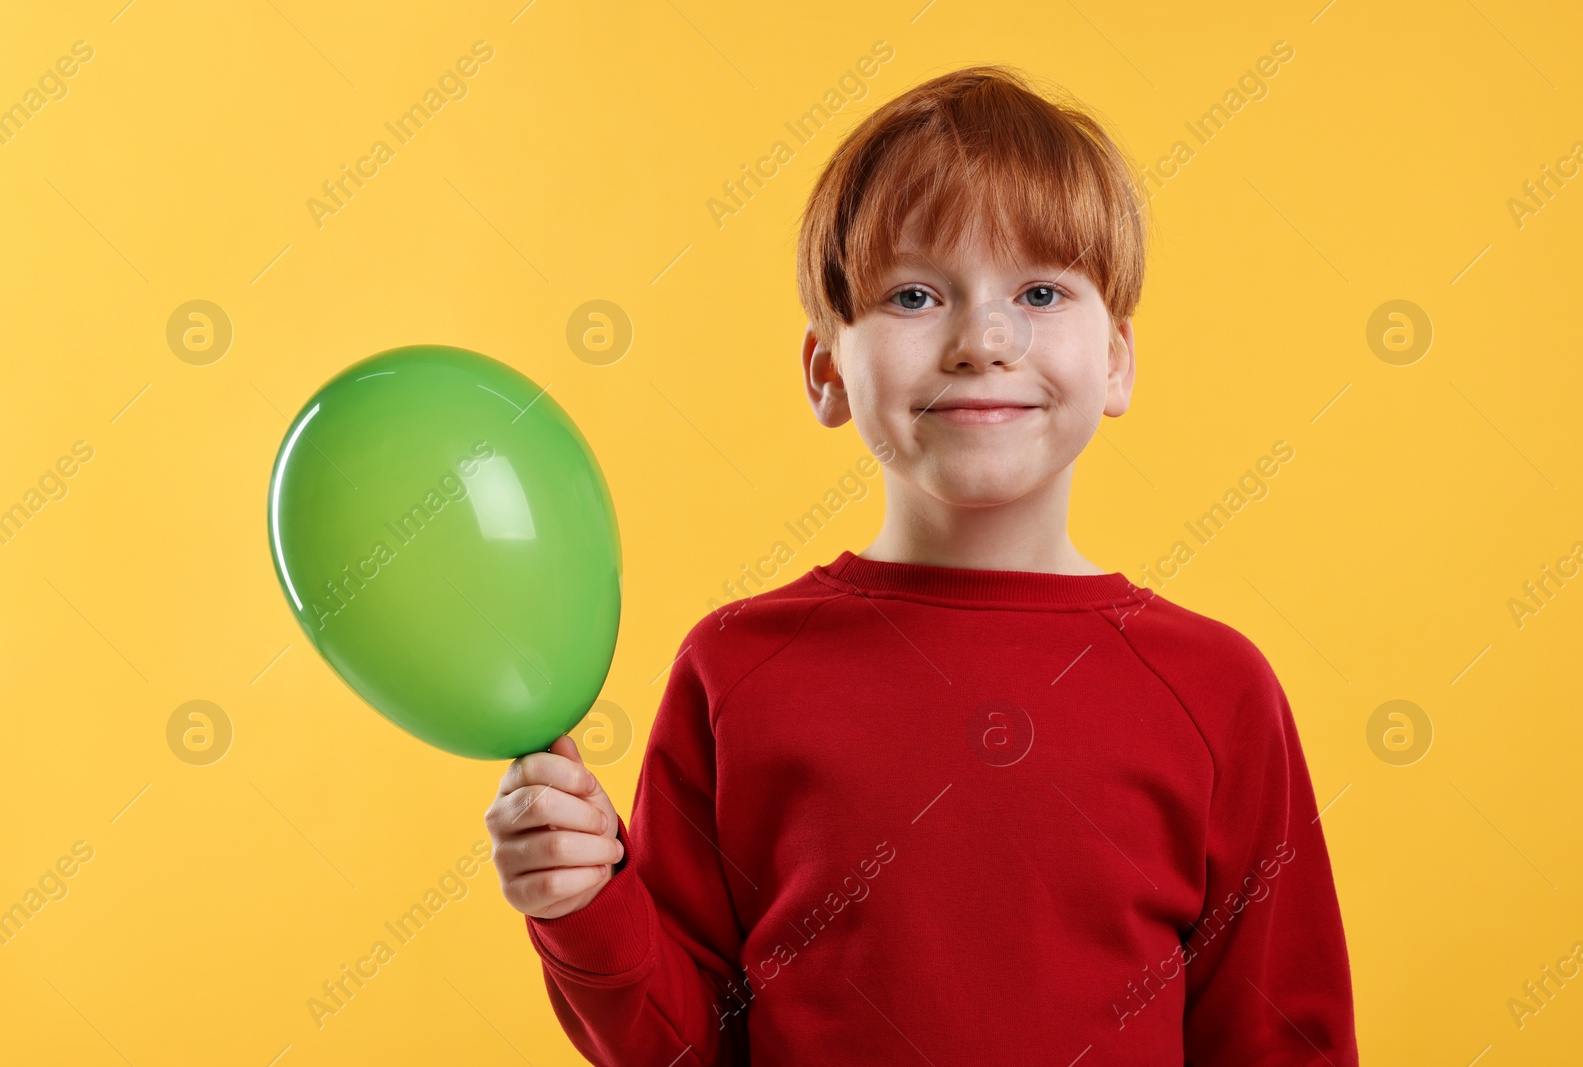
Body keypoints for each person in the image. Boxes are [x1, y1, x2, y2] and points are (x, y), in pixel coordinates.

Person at [485, 64, 1358, 1065]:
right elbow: (681, 1047)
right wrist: (584, 901)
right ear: (826, 370)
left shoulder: (1218, 689)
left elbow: (1282, 1041)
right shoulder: (736, 670)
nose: (983, 340)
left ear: (1115, 359)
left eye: (1039, 290)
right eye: (913, 294)